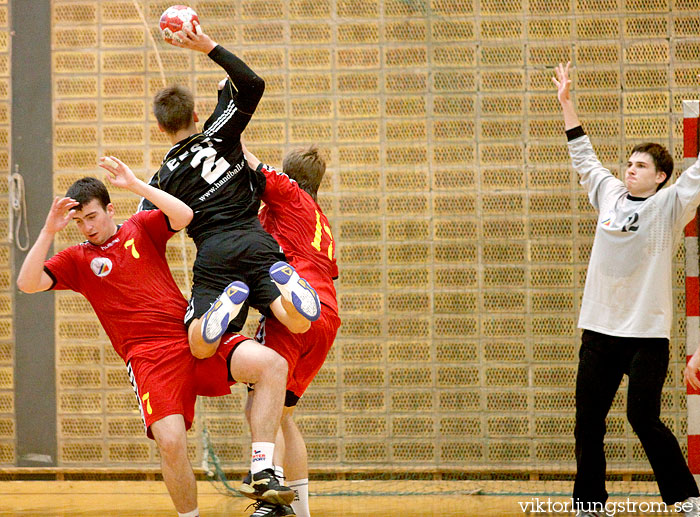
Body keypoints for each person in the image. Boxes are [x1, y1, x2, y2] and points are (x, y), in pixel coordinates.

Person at [16, 159, 294, 517]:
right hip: (149, 360)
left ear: (109, 209)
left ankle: (262, 468)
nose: (87, 227)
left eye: (93, 217)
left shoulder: (139, 227)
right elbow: (27, 282)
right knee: (171, 441)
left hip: (189, 337)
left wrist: (135, 185)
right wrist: (48, 231)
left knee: (272, 365)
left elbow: (184, 216)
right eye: (79, 221)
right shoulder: (77, 260)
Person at [136, 25, 322, 500]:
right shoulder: (223, 131)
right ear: (200, 114)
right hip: (257, 242)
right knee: (295, 325)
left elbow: (141, 233)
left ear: (161, 128)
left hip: (215, 255)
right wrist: (205, 47)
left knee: (201, 346)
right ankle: (263, 463)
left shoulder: (164, 176)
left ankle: (212, 315)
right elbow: (252, 84)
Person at [553, 62, 700, 517]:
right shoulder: (609, 194)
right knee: (587, 424)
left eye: (641, 166)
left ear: (660, 175)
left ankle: (688, 499)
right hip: (598, 331)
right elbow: (584, 155)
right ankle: (589, 505)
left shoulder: (671, 205)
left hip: (646, 336)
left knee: (643, 417)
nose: (630, 170)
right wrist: (566, 102)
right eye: (629, 164)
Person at [241, 144, 340, 517]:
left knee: (259, 407)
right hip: (327, 319)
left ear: (291, 178)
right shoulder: (319, 221)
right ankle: (301, 511)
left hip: (293, 314)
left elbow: (252, 163)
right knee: (281, 415)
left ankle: (272, 501)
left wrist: (223, 128)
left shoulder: (290, 196)